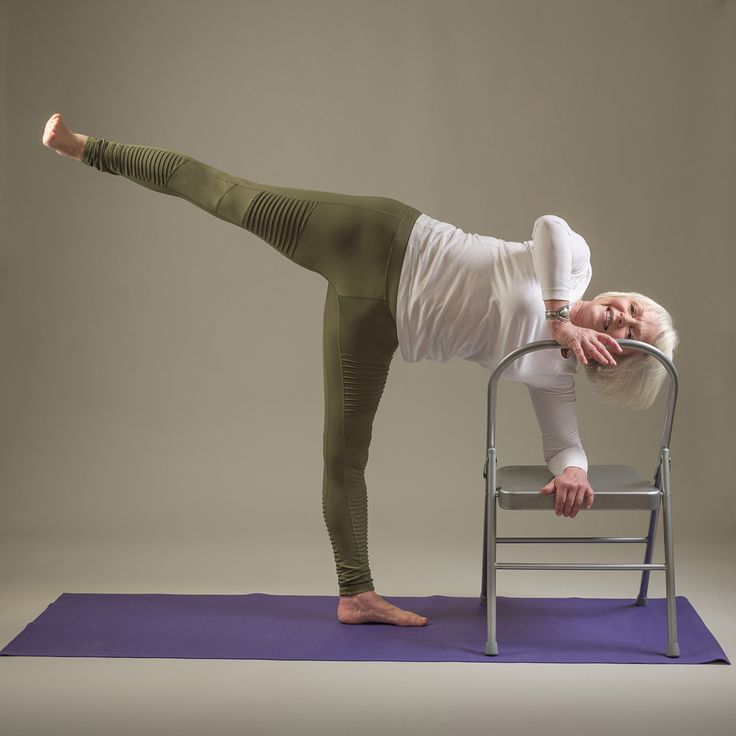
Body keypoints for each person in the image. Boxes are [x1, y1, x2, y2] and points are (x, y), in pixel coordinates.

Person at [41, 113, 678, 627]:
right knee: (229, 197)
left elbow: (562, 439)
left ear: (612, 365)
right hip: (381, 240)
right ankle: (83, 147)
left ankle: (356, 594)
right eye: (636, 310)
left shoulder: (554, 376)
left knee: (343, 456)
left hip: (377, 327)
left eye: (630, 334)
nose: (623, 317)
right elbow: (549, 229)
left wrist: (574, 473)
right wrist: (561, 315)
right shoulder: (574, 265)